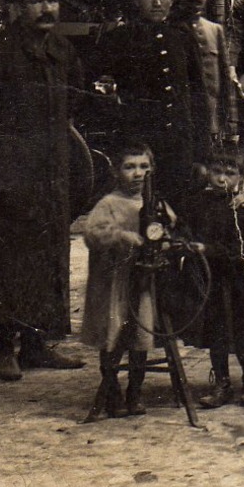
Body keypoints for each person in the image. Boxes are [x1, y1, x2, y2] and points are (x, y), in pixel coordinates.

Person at [0, 0, 88, 381]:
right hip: (11, 176)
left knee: (48, 258)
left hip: (53, 174)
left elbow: (76, 102)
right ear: (18, 8)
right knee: (7, 262)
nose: (47, 9)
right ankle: (2, 349)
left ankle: (36, 345)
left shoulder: (63, 50)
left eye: (52, 0)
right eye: (37, 1)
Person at [90, 0, 210, 199]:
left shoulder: (183, 38)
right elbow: (98, 91)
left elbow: (198, 96)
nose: (157, 3)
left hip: (179, 146)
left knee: (180, 211)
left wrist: (201, 153)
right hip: (139, 146)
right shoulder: (119, 39)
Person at [177, 150, 244, 409]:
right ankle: (221, 381)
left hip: (235, 279)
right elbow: (185, 227)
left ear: (240, 177)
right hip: (209, 279)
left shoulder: (241, 208)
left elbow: (240, 249)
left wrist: (206, 249)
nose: (222, 179)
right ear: (208, 173)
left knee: (242, 329)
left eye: (230, 173)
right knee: (216, 330)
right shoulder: (197, 203)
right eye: (217, 172)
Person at [78, 145, 157, 419]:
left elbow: (169, 227)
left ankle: (135, 391)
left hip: (142, 283)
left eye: (144, 167)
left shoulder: (153, 202)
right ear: (116, 171)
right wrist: (122, 236)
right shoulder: (109, 203)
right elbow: (93, 234)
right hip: (113, 284)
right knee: (112, 337)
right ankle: (112, 392)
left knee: (140, 338)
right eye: (130, 167)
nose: (138, 173)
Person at [170, 0, 239, 148]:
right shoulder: (172, 31)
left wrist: (231, 123)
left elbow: (225, 80)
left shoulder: (214, 30)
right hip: (181, 123)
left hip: (211, 122)